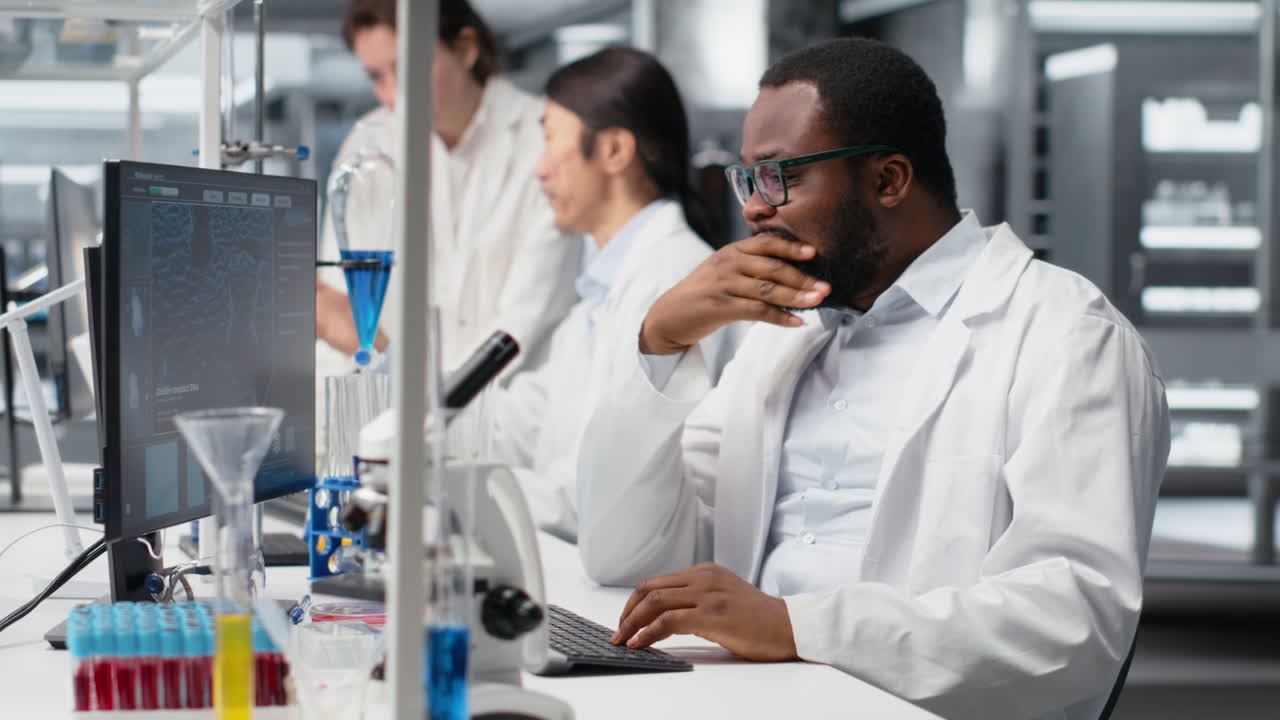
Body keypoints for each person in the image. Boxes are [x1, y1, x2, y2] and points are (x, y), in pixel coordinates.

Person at [575, 37, 1170, 720]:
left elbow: (1073, 623)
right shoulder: (785, 342)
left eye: (778, 176)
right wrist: (657, 341)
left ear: (888, 180)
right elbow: (624, 554)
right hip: (750, 696)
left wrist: (796, 627)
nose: (754, 209)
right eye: (746, 180)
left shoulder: (1067, 335)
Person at [476, 47, 740, 540]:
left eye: (551, 139)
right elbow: (526, 426)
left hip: (630, 586)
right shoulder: (597, 295)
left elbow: (617, 495)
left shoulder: (678, 284)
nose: (540, 169)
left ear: (615, 150)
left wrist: (460, 489)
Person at [316, 0, 580, 375]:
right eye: (377, 77)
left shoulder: (542, 139)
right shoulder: (366, 149)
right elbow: (339, 312)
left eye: (407, 68)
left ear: (466, 48)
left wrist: (426, 397)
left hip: (509, 415)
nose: (393, 95)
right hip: (389, 412)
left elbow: (526, 322)